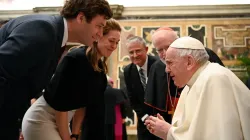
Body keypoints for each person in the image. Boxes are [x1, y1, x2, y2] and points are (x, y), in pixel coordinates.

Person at [0, 0, 113, 139]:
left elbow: (20, 82)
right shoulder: (44, 30)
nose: (100, 34)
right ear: (81, 18)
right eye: (99, 26)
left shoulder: (55, 35)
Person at [22, 18, 121, 140]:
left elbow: (82, 105)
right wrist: (66, 137)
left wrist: (75, 134)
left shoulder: (99, 68)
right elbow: (60, 105)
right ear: (99, 36)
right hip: (42, 119)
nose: (114, 46)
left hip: (62, 121)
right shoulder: (76, 59)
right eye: (111, 41)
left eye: (117, 42)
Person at [145, 36, 250, 140]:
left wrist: (168, 132)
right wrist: (170, 130)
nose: (166, 70)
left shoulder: (215, 79)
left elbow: (220, 134)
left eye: (170, 63)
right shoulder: (191, 84)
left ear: (189, 62)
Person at [145, 27, 225, 123]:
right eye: (160, 50)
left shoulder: (202, 54)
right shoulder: (156, 68)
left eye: (168, 47)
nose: (165, 54)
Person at [123, 36, 158, 140]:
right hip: (144, 123)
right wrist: (145, 118)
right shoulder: (128, 71)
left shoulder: (158, 64)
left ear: (146, 49)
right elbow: (133, 100)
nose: (135, 55)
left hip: (163, 120)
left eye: (138, 51)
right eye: (131, 52)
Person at [103, 76, 128, 140]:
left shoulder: (99, 93)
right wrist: (123, 117)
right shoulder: (118, 92)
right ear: (111, 83)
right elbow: (123, 105)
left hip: (103, 120)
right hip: (117, 120)